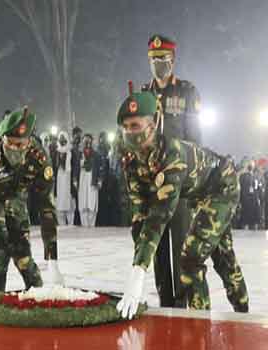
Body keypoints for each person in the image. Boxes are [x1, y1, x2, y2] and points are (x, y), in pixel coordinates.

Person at [115, 91, 248, 319]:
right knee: (223, 256)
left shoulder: (171, 154)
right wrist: (139, 264)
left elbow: (160, 213)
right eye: (125, 127)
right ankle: (244, 314)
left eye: (135, 125)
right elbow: (139, 217)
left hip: (221, 187)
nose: (130, 132)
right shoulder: (130, 160)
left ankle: (199, 327)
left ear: (153, 123)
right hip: (198, 194)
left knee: (190, 257)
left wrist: (139, 270)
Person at [0, 108, 63, 297]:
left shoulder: (39, 158)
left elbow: (47, 208)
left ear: (29, 141)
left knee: (23, 253)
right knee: (0, 255)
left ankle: (38, 294)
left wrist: (53, 258)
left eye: (22, 145)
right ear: (2, 139)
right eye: (11, 144)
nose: (17, 149)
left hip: (17, 197)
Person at [141, 34, 203, 308]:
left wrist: (193, 178)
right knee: (155, 245)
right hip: (152, 182)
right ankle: (165, 299)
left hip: (179, 181)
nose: (158, 65)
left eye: (162, 59)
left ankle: (181, 301)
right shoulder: (143, 95)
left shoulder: (187, 91)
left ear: (173, 60)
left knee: (180, 243)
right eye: (153, 60)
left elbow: (195, 139)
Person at [77, 134, 100, 227]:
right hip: (82, 179)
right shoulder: (79, 154)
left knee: (92, 203)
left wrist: (99, 180)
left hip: (92, 179)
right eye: (85, 141)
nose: (87, 143)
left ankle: (92, 224)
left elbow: (99, 168)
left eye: (89, 141)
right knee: (83, 203)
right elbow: (75, 168)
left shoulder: (96, 155)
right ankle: (84, 225)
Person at [55, 131, 73, 225]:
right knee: (60, 200)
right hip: (59, 177)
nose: (62, 140)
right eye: (60, 138)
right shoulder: (56, 151)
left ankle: (70, 222)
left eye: (64, 138)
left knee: (68, 200)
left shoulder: (70, 152)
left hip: (68, 177)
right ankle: (61, 223)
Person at [96, 131, 113, 226]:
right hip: (102, 177)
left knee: (108, 200)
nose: (103, 140)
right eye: (101, 138)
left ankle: (107, 221)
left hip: (109, 177)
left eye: (104, 138)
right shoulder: (98, 149)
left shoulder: (109, 149)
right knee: (101, 200)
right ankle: (102, 221)